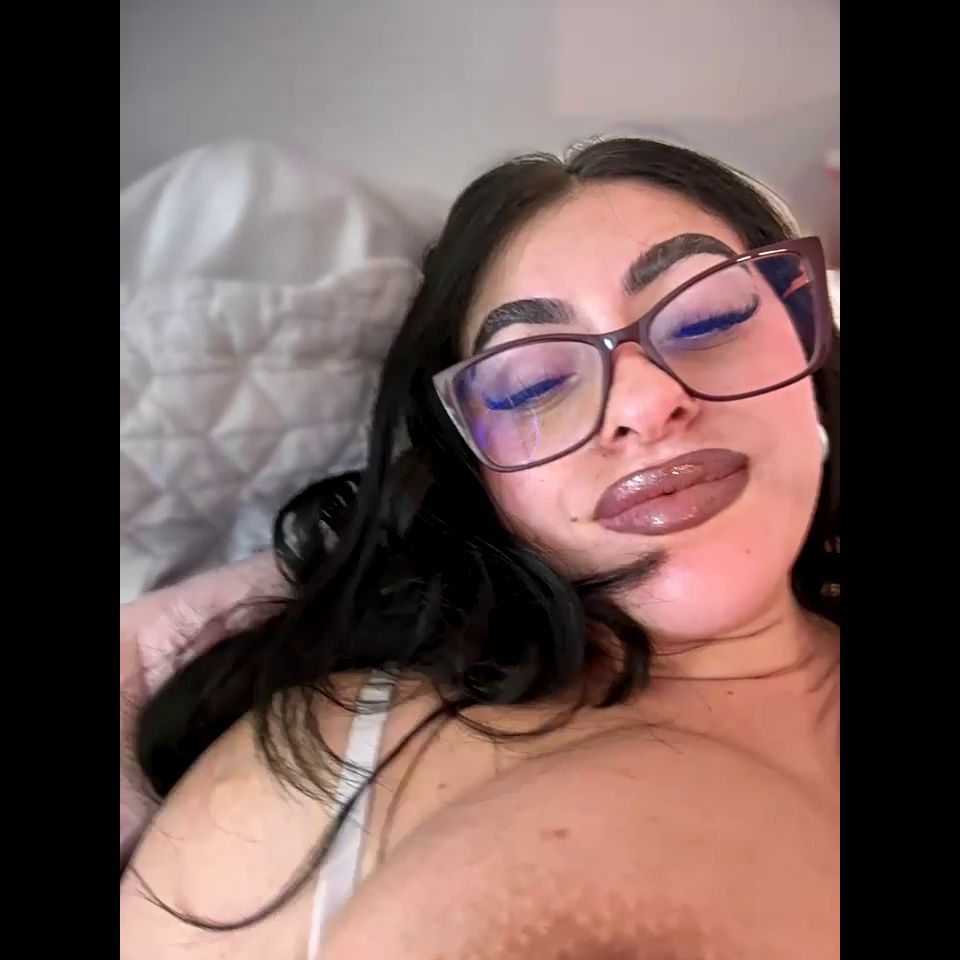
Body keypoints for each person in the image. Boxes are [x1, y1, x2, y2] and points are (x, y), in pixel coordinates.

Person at [119, 137, 840, 960]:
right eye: (534, 383)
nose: (644, 401)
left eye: (710, 318)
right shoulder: (314, 763)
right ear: (479, 477)